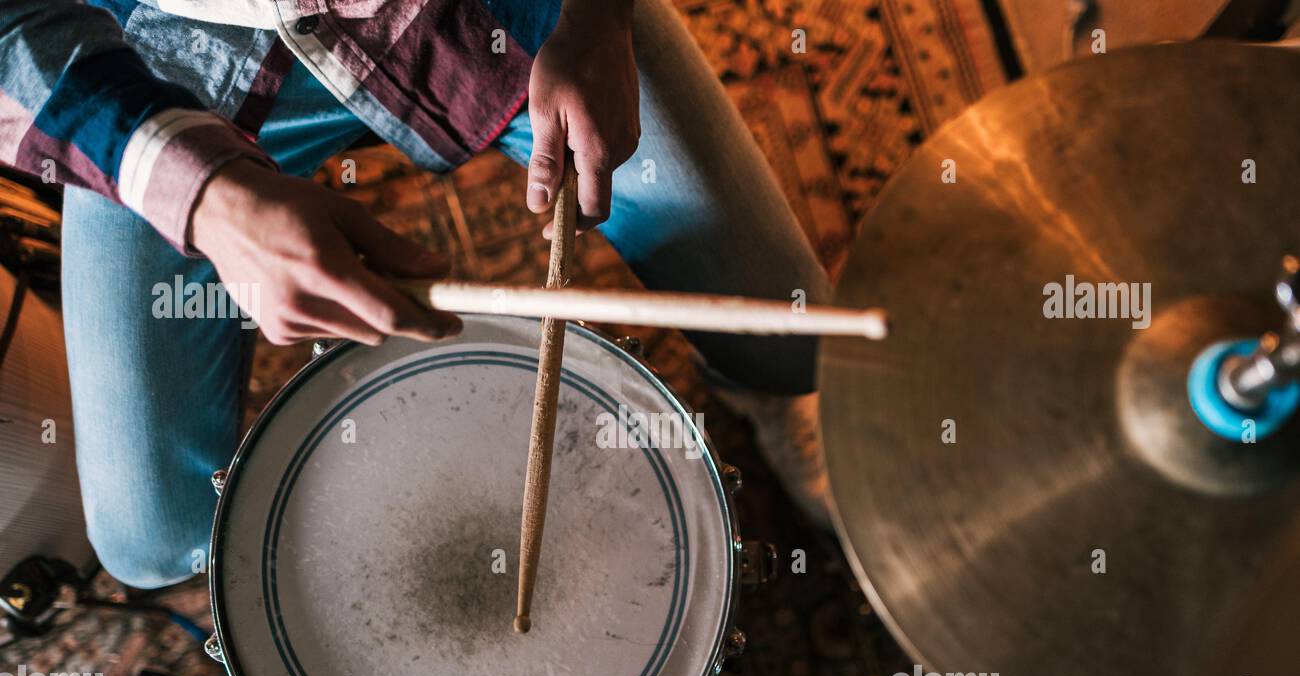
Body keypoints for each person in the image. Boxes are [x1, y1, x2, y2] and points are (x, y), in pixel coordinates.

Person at [0, 0, 834, 589]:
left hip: (491, 15)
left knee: (792, 336)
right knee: (149, 539)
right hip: (159, 58)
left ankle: (767, 394)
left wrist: (599, 17)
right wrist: (208, 199)